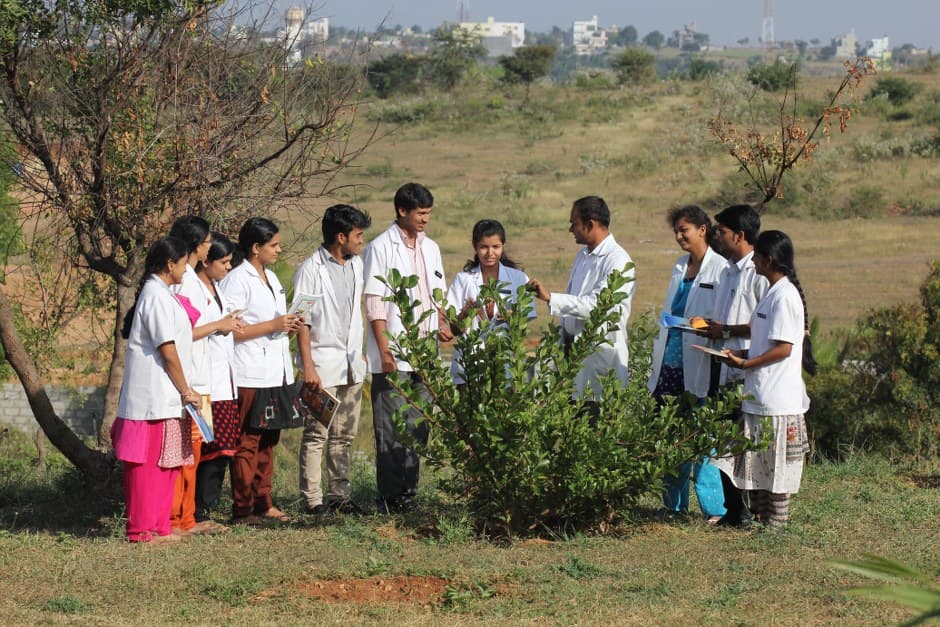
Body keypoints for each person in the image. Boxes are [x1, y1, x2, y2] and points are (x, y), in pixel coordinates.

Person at [363, 182, 450, 513]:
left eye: (428, 213)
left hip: (425, 352)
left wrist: (443, 325)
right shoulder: (380, 248)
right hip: (394, 351)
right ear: (403, 211)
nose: (425, 219)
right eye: (420, 213)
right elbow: (375, 303)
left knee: (419, 424)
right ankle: (389, 496)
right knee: (391, 425)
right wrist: (384, 349)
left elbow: (437, 296)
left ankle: (409, 493)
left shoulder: (432, 248)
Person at [111, 236, 201, 543]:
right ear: (170, 264)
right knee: (147, 468)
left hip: (167, 397)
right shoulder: (155, 296)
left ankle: (159, 525)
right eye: (184, 263)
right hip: (152, 397)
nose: (187, 270)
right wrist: (185, 389)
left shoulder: (164, 294)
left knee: (167, 464)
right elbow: (168, 350)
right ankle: (140, 530)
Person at [720, 230, 811, 530]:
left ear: (769, 260)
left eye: (757, 256)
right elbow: (763, 341)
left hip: (777, 397)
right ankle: (765, 518)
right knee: (761, 460)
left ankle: (777, 523)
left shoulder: (785, 296)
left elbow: (783, 348)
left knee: (777, 463)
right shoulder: (772, 293)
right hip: (761, 392)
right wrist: (739, 354)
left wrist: (745, 362)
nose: (754, 261)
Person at [220, 217, 303, 526]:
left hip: (276, 370)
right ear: (256, 248)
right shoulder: (237, 280)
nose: (279, 250)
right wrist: (272, 325)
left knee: (269, 439)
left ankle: (263, 501)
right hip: (249, 371)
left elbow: (271, 323)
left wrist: (287, 327)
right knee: (248, 441)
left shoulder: (271, 278)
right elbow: (229, 329)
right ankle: (242, 508)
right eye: (274, 245)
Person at [647, 205, 727, 522]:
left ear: (703, 229)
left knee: (702, 437)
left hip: (698, 360)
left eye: (685, 230)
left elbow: (722, 319)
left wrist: (703, 325)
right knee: (669, 435)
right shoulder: (680, 266)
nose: (680, 237)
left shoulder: (720, 268)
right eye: (676, 231)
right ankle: (673, 505)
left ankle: (714, 508)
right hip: (670, 363)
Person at [294, 204, 372, 516]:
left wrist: (361, 350)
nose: (361, 241)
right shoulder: (310, 270)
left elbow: (357, 313)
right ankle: (312, 500)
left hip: (352, 363)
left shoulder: (356, 265)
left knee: (344, 435)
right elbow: (301, 318)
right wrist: (308, 366)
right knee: (317, 434)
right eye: (358, 235)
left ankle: (340, 495)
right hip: (322, 366)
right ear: (341, 237)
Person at [167, 215, 237, 536]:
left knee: (194, 451)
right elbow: (185, 332)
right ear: (196, 246)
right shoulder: (187, 285)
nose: (210, 246)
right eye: (207, 241)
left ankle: (188, 516)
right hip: (192, 380)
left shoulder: (197, 284)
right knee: (187, 451)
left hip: (204, 378)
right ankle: (179, 516)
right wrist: (218, 326)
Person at [527, 195, 635, 401]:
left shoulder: (618, 261)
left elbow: (597, 305)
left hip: (598, 357)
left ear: (590, 224)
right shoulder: (583, 256)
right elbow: (573, 300)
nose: (570, 230)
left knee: (593, 416)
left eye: (574, 224)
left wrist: (551, 298)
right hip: (572, 355)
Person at [706, 205, 769, 528]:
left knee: (748, 441)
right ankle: (734, 509)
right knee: (724, 439)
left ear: (740, 235)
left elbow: (764, 324)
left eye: (722, 231)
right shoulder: (726, 270)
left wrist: (727, 331)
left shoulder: (758, 272)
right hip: (723, 364)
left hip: (747, 366)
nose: (717, 236)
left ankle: (752, 509)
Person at [445, 219, 535, 384]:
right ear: (475, 246)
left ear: (503, 246)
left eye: (496, 247)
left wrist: (509, 315)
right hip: (471, 366)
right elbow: (455, 330)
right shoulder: (463, 279)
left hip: (507, 363)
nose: (490, 253)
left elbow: (527, 318)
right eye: (484, 247)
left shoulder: (518, 278)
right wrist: (466, 312)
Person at [193, 232, 243, 527]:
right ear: (206, 261)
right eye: (223, 262)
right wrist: (219, 325)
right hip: (206, 380)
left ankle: (206, 508)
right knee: (208, 451)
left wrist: (229, 323)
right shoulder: (193, 288)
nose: (227, 267)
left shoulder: (216, 287)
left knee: (222, 449)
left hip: (224, 381)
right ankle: (197, 511)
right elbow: (190, 329)